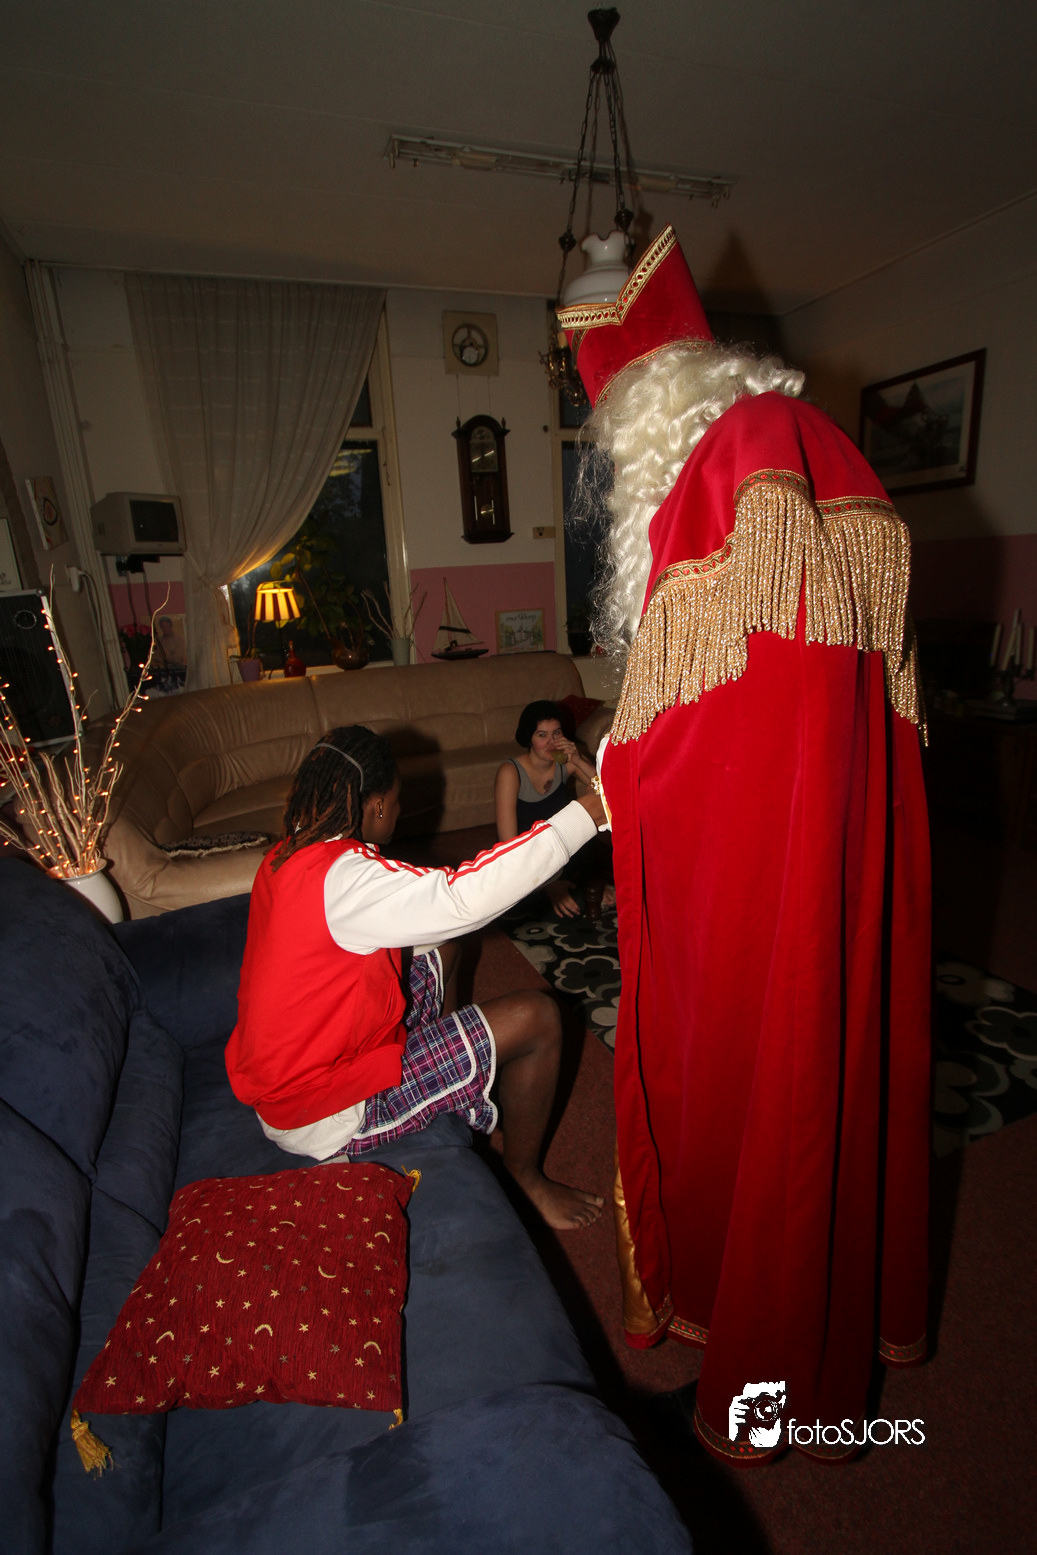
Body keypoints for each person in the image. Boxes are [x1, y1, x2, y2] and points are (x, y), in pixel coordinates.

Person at [557, 226, 931, 1461]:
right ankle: (819, 1367)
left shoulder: (736, 461)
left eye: (614, 439)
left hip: (750, 866)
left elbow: (713, 717)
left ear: (649, 409)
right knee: (817, 1095)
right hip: (812, 840)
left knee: (760, 1097)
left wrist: (616, 772)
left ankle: (775, 1390)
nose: (616, 473)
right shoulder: (798, 444)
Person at [225, 724, 606, 1232]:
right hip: (327, 1112)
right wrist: (586, 815)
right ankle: (525, 1177)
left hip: (299, 1070)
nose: (400, 810)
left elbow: (423, 921)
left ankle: (457, 1074)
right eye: (398, 800)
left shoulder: (288, 854)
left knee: (443, 944)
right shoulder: (346, 880)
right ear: (378, 805)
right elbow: (462, 896)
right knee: (538, 1017)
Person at [494, 700, 599, 917]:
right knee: (515, 911)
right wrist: (548, 885)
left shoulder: (567, 763)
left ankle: (584, 887)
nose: (551, 742)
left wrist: (578, 759)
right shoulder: (510, 772)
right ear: (529, 738)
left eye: (556, 733)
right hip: (526, 861)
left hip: (559, 851)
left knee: (582, 895)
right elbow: (509, 847)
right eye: (542, 735)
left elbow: (607, 788)